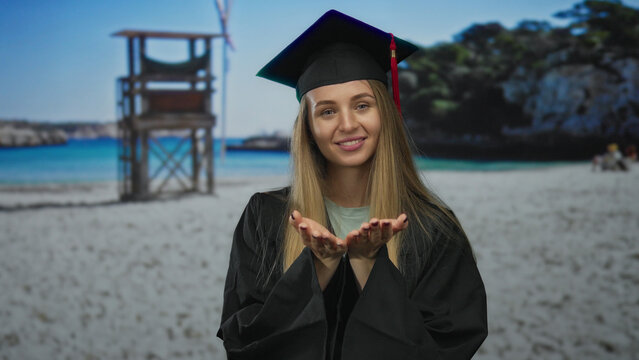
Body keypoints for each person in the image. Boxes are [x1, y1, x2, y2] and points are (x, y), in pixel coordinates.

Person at [217, 10, 487, 360]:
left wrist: (368, 265)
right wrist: (317, 268)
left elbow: (450, 346)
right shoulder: (266, 215)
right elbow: (243, 341)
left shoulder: (433, 227)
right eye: (327, 111)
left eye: (362, 105)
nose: (347, 124)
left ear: (385, 114)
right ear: (309, 128)